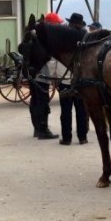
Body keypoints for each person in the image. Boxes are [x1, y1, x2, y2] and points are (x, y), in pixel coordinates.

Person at [27, 12, 62, 140]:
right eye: (57, 23)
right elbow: (51, 58)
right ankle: (43, 129)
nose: (59, 25)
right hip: (43, 73)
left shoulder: (33, 33)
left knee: (35, 100)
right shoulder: (47, 36)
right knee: (43, 101)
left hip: (32, 72)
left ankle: (37, 128)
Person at [58, 13, 89, 145]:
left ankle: (67, 138)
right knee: (81, 110)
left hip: (65, 78)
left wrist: (57, 77)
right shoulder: (86, 37)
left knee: (66, 111)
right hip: (81, 79)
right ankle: (82, 137)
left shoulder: (63, 38)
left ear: (70, 24)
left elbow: (57, 58)